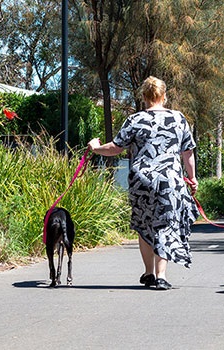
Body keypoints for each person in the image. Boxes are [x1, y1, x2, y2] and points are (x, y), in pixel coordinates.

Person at [88, 76, 198, 290]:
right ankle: (161, 275)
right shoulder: (178, 119)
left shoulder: (135, 120)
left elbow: (115, 148)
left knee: (144, 223)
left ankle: (148, 272)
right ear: (164, 96)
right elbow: (188, 152)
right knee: (165, 224)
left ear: (144, 97)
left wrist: (95, 148)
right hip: (169, 180)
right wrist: (192, 178)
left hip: (142, 180)